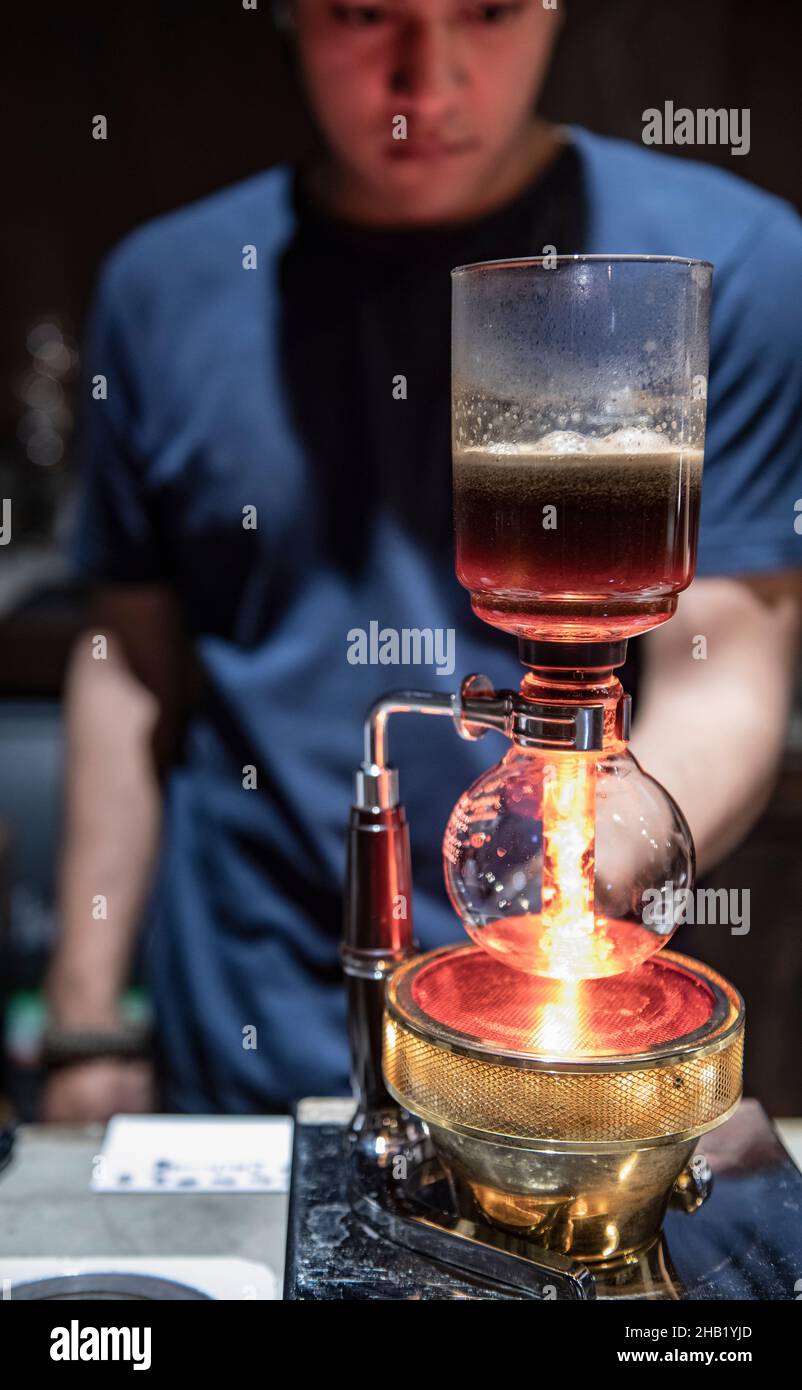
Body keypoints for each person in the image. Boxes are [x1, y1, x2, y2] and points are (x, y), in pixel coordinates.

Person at [43, 0, 802, 1119]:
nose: (428, 81)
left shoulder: (734, 267)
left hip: (549, 1023)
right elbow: (129, 665)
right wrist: (84, 1018)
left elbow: (726, 660)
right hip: (244, 1008)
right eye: (365, 15)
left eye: (488, 13)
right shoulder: (165, 287)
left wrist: (575, 904)